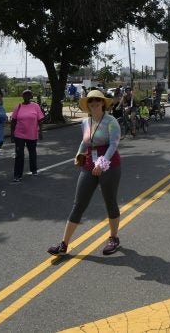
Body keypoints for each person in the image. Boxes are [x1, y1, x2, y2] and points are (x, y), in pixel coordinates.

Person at [47, 89, 122, 256]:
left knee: (110, 202)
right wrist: (79, 154)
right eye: (90, 101)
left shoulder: (111, 121)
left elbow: (113, 144)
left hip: (109, 164)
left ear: (103, 102)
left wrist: (102, 163)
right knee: (79, 203)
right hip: (90, 163)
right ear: (87, 104)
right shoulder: (85, 122)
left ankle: (114, 238)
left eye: (97, 100)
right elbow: (85, 141)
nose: (94, 102)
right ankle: (64, 244)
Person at [11, 89, 45, 181]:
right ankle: (17, 175)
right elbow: (13, 121)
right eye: (25, 94)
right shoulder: (18, 107)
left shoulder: (35, 106)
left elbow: (40, 120)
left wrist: (40, 131)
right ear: (22, 96)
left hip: (32, 134)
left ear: (31, 96)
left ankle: (33, 170)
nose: (26, 96)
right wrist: (12, 134)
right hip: (19, 134)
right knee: (19, 154)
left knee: (32, 153)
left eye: (28, 95)